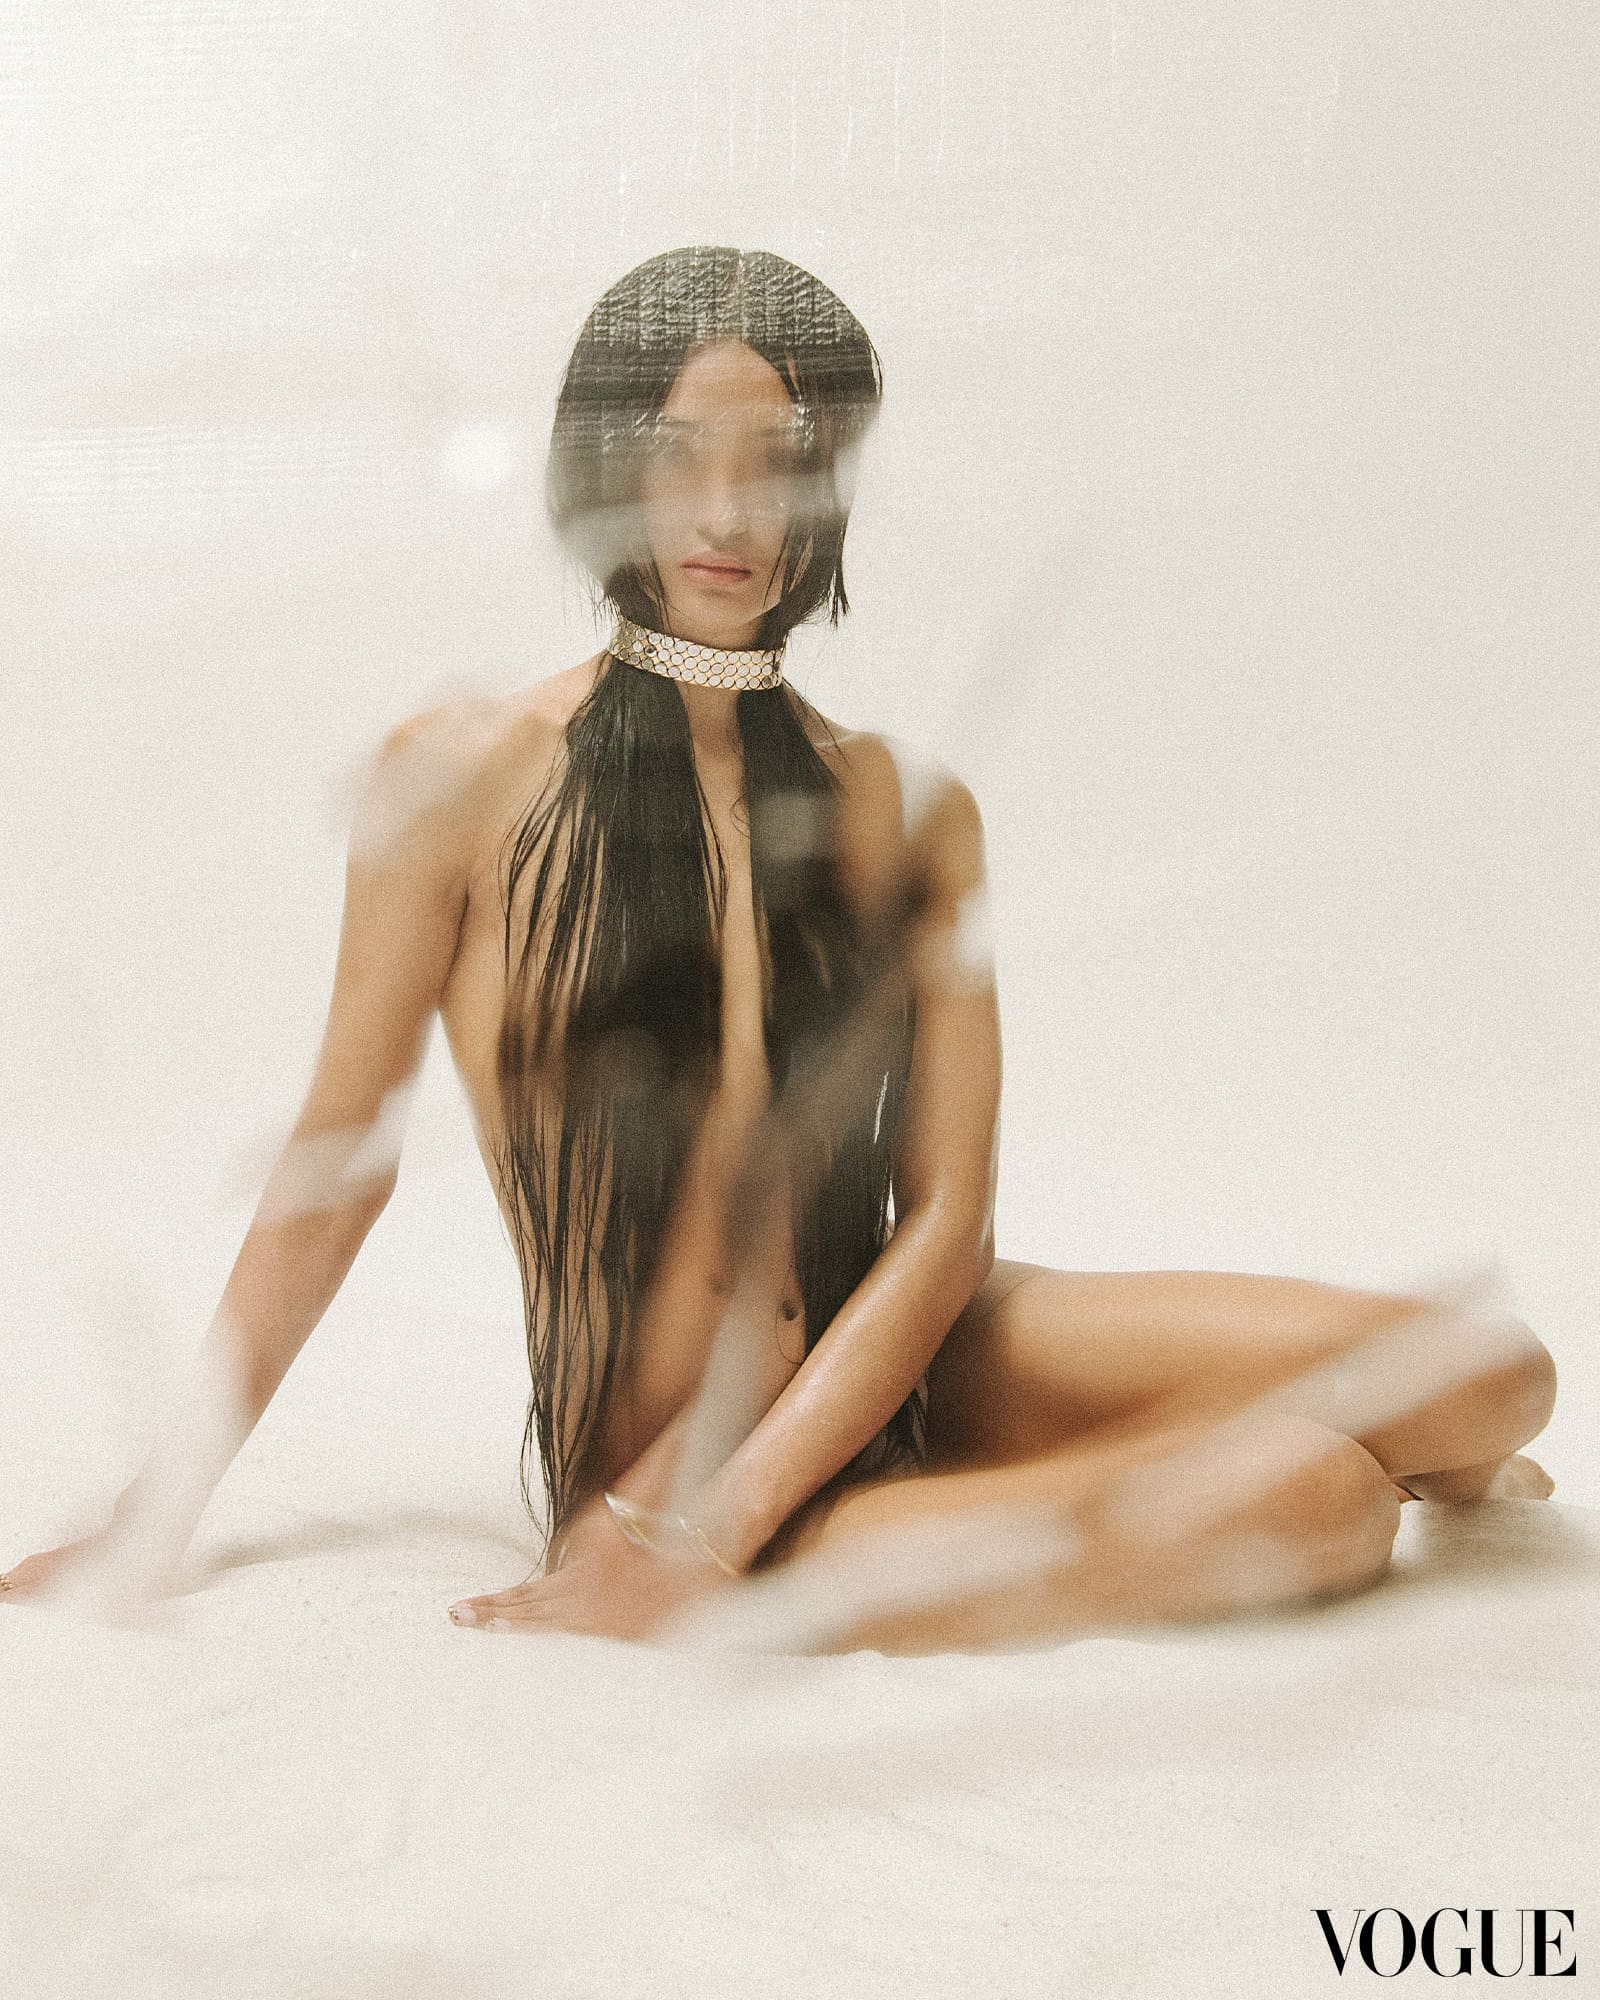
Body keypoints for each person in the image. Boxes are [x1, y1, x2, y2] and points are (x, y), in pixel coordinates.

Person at [1, 246, 1558, 1654]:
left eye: (782, 466)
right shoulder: (467, 773)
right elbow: (333, 1170)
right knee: (1321, 1501)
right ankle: (1196, 1474)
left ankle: (1311, 1445)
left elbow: (944, 1221)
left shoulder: (901, 803)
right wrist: (161, 1508)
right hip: (691, 1474)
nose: (731, 517)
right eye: (681, 459)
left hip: (916, 1349)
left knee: (1494, 1372)